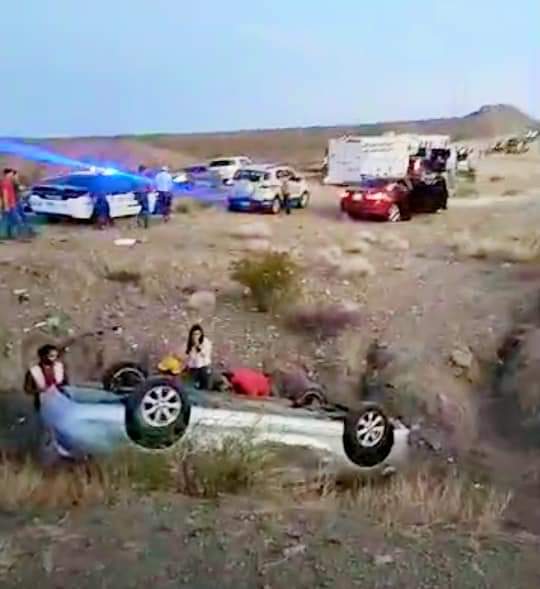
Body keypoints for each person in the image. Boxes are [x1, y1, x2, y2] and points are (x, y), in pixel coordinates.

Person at [24, 344, 69, 412]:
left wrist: (62, 389)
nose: (55, 358)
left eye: (56, 356)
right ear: (43, 356)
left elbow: (66, 383)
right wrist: (41, 390)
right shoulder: (33, 371)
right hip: (43, 403)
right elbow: (27, 389)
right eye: (51, 356)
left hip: (61, 401)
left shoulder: (59, 367)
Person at [185, 324, 212, 389]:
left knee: (204, 386)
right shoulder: (190, 343)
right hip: (193, 368)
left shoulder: (205, 342)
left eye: (198, 334)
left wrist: (197, 345)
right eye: (194, 334)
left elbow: (205, 354)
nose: (196, 336)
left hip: (203, 367)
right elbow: (189, 357)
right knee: (191, 386)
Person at [1, 168, 22, 239]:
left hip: (11, 204)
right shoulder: (5, 183)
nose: (12, 175)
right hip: (9, 205)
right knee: (17, 219)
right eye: (11, 173)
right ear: (7, 174)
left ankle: (9, 235)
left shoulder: (9, 182)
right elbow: (5, 194)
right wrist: (6, 206)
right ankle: (19, 235)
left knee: (9, 220)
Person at [135, 165, 151, 229]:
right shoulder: (145, 178)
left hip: (138, 195)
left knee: (142, 207)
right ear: (143, 170)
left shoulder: (136, 178)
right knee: (146, 208)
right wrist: (150, 190)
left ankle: (138, 219)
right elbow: (149, 187)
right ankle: (145, 224)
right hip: (144, 194)